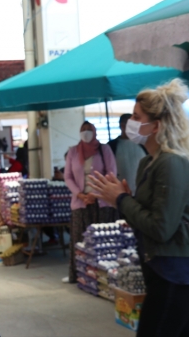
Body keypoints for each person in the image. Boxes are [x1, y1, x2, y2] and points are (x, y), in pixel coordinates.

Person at [89, 79, 189, 337]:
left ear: (156, 125)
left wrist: (121, 200)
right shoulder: (149, 162)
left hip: (178, 273)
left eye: (137, 117)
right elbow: (152, 216)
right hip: (168, 270)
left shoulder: (171, 163)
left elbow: (161, 228)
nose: (131, 123)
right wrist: (126, 199)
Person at [63, 121, 118, 283]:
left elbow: (111, 172)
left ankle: (104, 278)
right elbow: (67, 176)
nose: (86, 132)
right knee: (79, 239)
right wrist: (80, 194)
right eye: (83, 130)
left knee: (103, 241)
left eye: (89, 130)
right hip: (80, 202)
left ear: (95, 132)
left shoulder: (104, 149)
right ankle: (78, 275)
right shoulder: (73, 151)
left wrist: (95, 194)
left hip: (102, 202)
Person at [108, 114, 147, 194]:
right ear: (122, 126)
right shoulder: (111, 146)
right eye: (131, 124)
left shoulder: (143, 144)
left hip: (143, 192)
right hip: (120, 193)